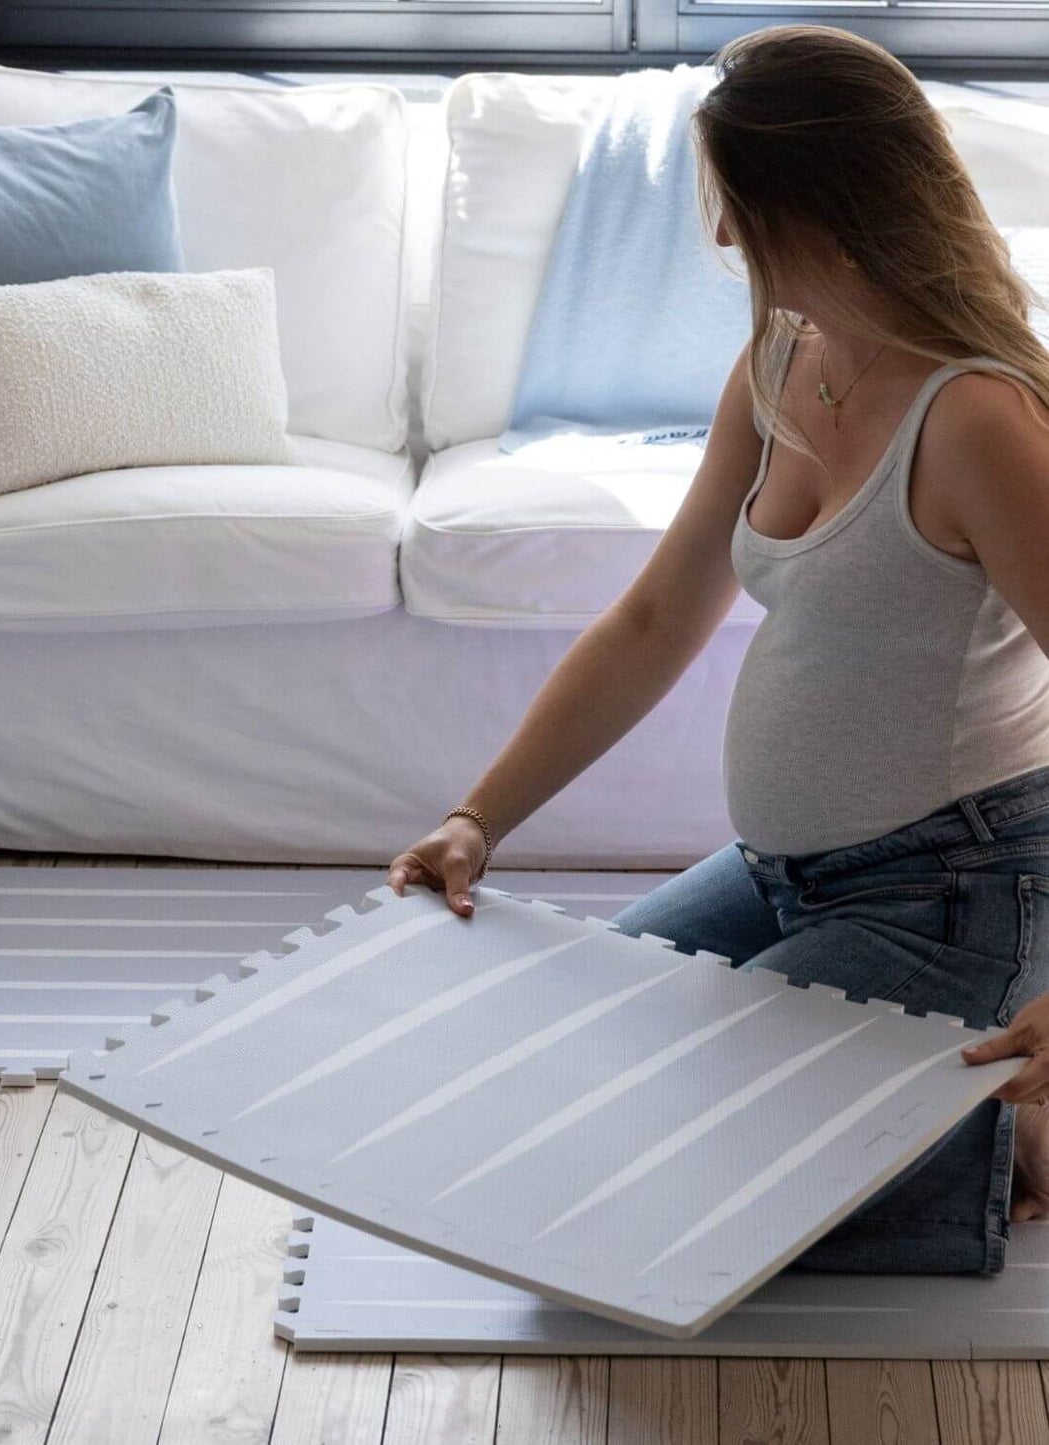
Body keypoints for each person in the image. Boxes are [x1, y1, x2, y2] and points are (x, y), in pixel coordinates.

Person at [386, 24, 1049, 1275]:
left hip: (953, 895)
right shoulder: (780, 360)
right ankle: (882, 1111)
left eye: (739, 208)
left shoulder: (975, 420)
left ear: (823, 207)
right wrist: (479, 817)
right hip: (782, 874)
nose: (720, 241)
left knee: (631, 1179)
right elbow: (652, 619)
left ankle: (993, 1147)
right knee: (544, 1079)